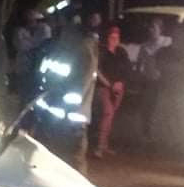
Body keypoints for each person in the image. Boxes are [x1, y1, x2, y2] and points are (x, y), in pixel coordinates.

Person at [34, 23, 98, 174]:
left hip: (70, 122)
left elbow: (77, 91)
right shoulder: (61, 50)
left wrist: (58, 106)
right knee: (54, 160)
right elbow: (47, 79)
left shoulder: (82, 52)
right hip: (54, 118)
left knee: (72, 163)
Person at [93, 26, 129, 158]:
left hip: (118, 88)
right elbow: (97, 70)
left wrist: (120, 83)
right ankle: (99, 146)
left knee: (110, 116)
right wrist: (109, 84)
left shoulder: (122, 52)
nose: (114, 40)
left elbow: (126, 70)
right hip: (104, 87)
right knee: (107, 113)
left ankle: (104, 144)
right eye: (111, 37)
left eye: (116, 38)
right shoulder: (102, 53)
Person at [136, 18, 165, 142]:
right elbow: (139, 63)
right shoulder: (144, 46)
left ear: (160, 29)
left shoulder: (166, 43)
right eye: (150, 27)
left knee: (158, 108)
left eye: (154, 27)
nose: (151, 30)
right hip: (148, 81)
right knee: (147, 108)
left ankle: (158, 135)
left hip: (162, 82)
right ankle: (146, 134)